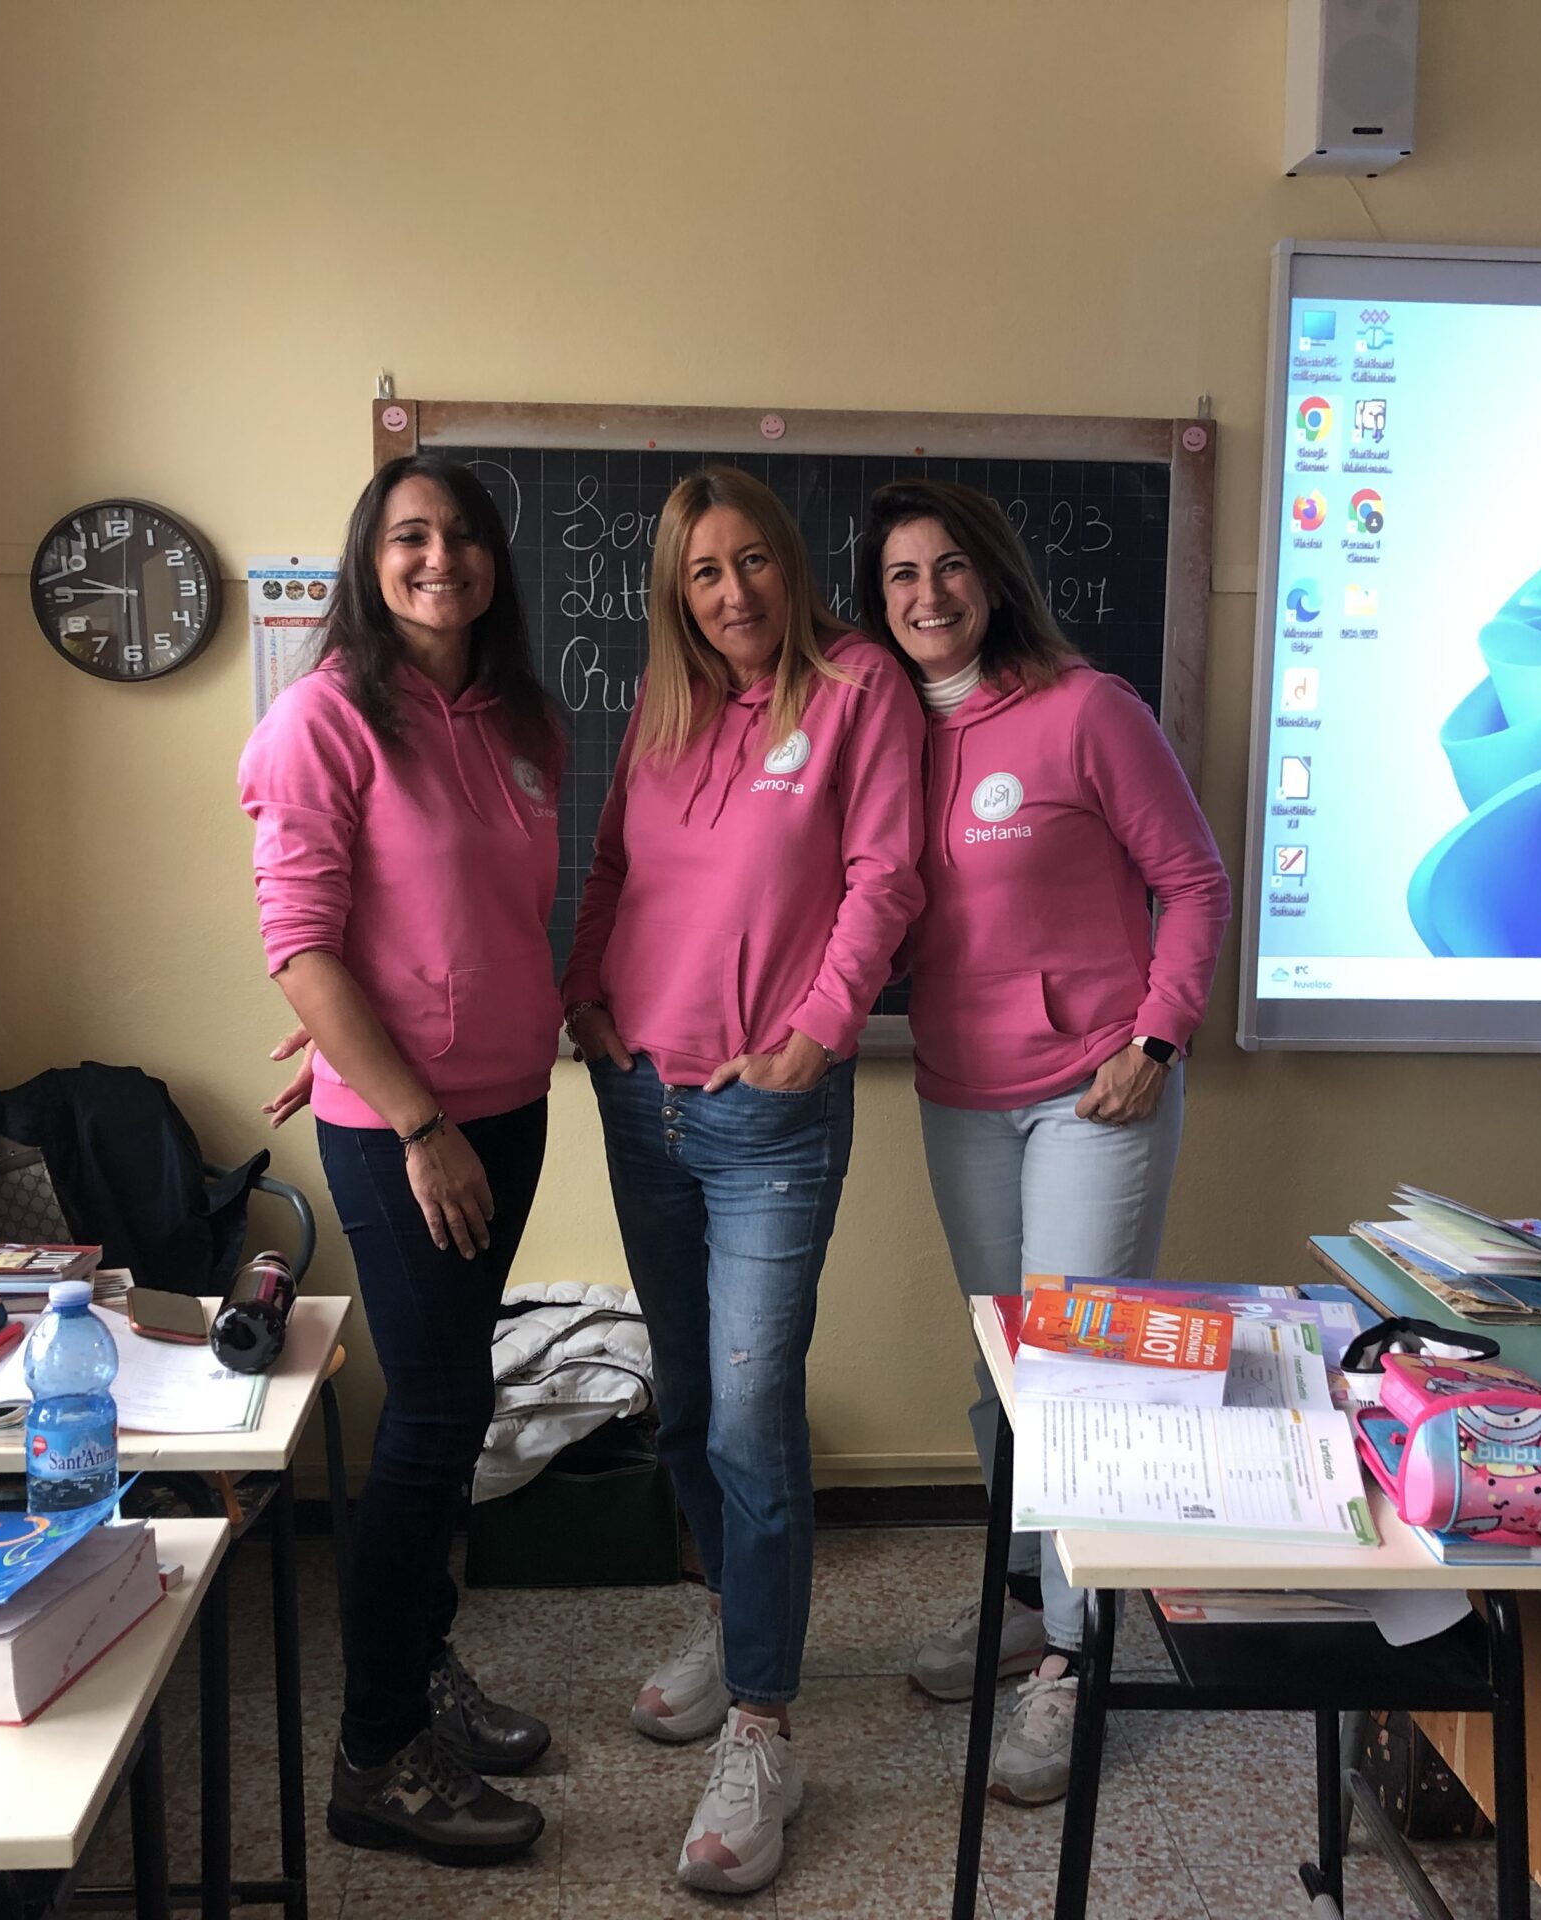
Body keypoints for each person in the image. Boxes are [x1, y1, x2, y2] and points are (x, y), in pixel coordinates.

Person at [562, 465, 925, 1894]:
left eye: (753, 562)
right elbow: (608, 870)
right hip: (641, 1099)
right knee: (687, 1403)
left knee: (755, 1413)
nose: (732, 593)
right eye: (704, 572)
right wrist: (583, 995)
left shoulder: (856, 690)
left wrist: (818, 1033)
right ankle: (731, 1616)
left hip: (768, 1115)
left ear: (791, 563)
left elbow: (885, 878)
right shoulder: (662, 710)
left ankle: (765, 1726)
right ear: (677, 591)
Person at [858, 477, 1230, 1807]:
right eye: (902, 576)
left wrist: (1157, 1040)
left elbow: (1194, 882)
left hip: (1095, 1093)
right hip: (958, 1091)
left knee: (1080, 1373)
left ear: (995, 576)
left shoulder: (1088, 710)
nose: (929, 596)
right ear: (878, 603)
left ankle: (1076, 1660)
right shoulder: (885, 737)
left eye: (951, 567)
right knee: (1005, 1364)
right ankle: (1028, 1599)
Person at [237, 454, 565, 1866]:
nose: (443, 558)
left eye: (466, 536)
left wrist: (379, 1048)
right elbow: (299, 944)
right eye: (412, 536)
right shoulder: (322, 721)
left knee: (457, 1397)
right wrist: (408, 1113)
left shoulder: (518, 720)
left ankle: (421, 1671)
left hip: (507, 1106)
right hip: (410, 1130)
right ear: (371, 562)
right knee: (430, 1417)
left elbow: (470, 923)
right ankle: (376, 1756)